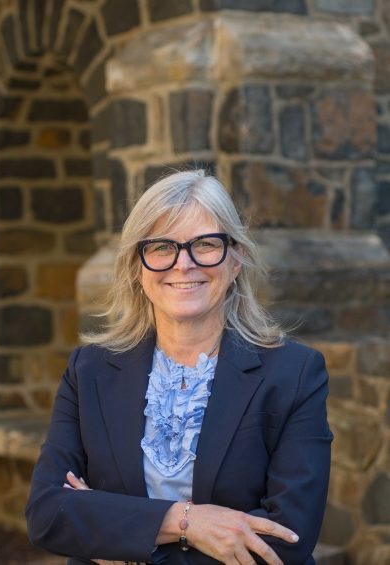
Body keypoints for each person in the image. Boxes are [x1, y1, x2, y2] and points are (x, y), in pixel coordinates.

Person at [25, 170, 333, 565]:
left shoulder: (294, 373)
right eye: (161, 247)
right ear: (137, 267)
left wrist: (119, 538)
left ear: (235, 259)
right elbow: (48, 514)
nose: (183, 264)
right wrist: (187, 522)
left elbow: (286, 539)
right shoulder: (89, 370)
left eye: (205, 244)